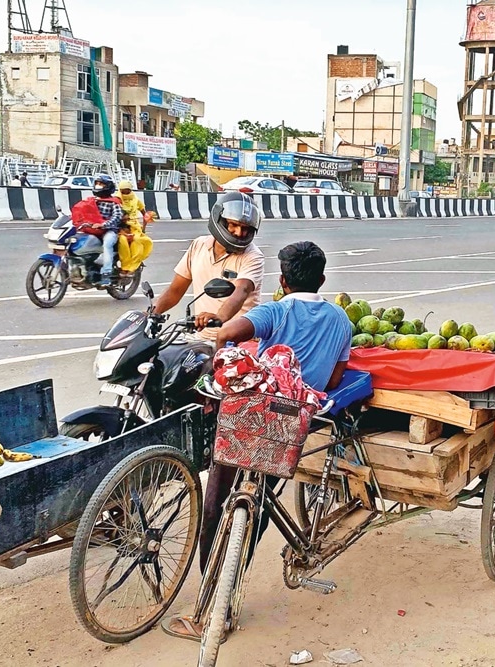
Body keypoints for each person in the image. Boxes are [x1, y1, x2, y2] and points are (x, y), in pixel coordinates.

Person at [162, 241, 354, 642]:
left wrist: (224, 368)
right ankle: (235, 577)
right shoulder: (341, 320)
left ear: (282, 282)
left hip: (254, 418)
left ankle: (212, 604)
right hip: (297, 423)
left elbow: (229, 331)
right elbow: (335, 381)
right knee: (260, 501)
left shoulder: (277, 310)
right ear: (321, 280)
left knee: (217, 503)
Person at [151, 192, 264, 340]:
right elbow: (175, 290)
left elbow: (241, 291)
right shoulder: (199, 245)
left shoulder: (252, 256)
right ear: (219, 220)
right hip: (201, 338)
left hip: (238, 341)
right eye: (233, 225)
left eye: (245, 228)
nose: (239, 233)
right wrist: (151, 316)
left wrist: (220, 317)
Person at [68, 176, 124, 286]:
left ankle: (106, 273)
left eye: (102, 184)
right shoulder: (91, 201)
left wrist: (103, 224)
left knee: (107, 243)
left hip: (109, 231)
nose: (98, 186)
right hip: (92, 229)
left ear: (108, 187)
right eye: (97, 184)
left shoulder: (114, 202)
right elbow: (80, 213)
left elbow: (117, 217)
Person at [116, 180, 154, 271]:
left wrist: (144, 228)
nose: (125, 193)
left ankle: (133, 266)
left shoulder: (136, 200)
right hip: (119, 226)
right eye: (123, 191)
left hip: (134, 226)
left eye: (127, 191)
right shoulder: (116, 200)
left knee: (137, 240)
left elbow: (145, 214)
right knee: (122, 241)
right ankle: (125, 265)